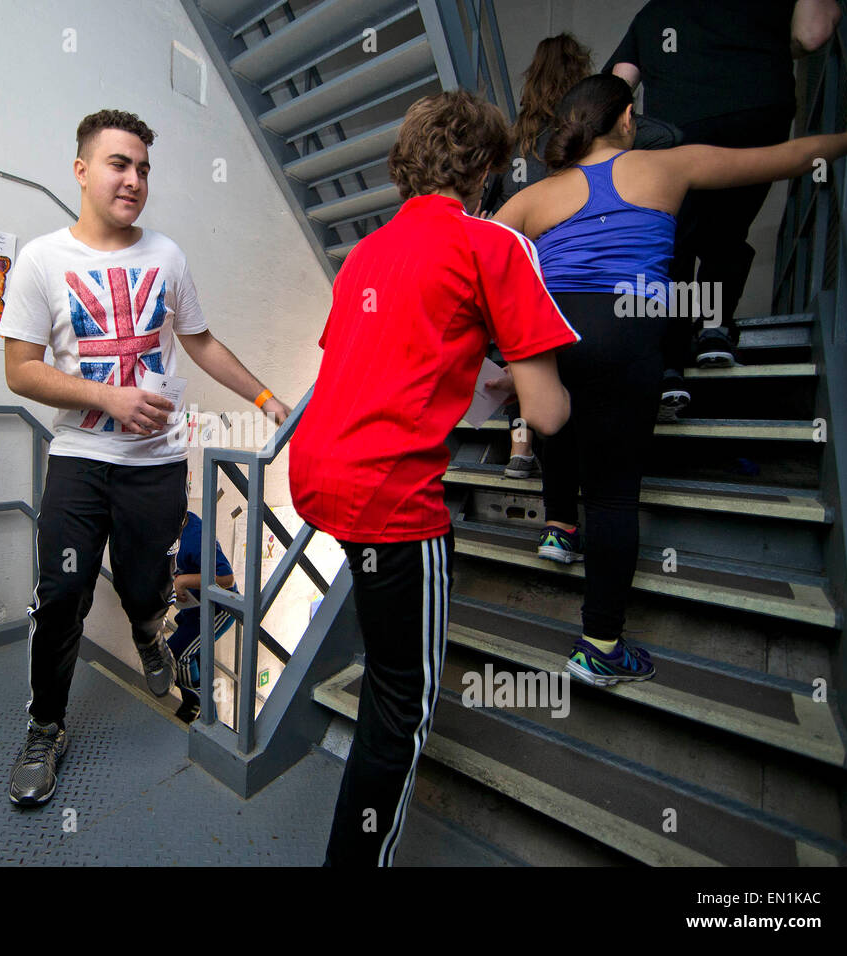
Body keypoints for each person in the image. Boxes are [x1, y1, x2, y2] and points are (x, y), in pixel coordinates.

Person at [493, 73, 847, 686]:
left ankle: (559, 534)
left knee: (561, 437)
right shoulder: (666, 166)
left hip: (556, 334)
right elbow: (784, 157)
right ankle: (599, 645)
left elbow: (473, 257)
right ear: (625, 118)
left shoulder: (536, 198)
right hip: (629, 328)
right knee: (613, 496)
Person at [290, 90, 577, 866]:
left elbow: (379, 359)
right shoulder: (492, 245)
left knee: (385, 657)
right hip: (389, 494)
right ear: (486, 167)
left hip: (319, 474)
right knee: (401, 706)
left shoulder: (366, 254)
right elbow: (546, 416)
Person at [0, 109, 291, 807]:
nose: (134, 179)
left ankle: (149, 638)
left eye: (143, 168)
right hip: (79, 455)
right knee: (61, 595)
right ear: (81, 170)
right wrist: (111, 397)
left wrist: (267, 397)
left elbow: (201, 341)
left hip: (157, 465)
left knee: (142, 588)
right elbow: (20, 370)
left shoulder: (166, 255)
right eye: (118, 164)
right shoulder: (42, 260)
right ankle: (45, 728)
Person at [605, 0, 843, 380]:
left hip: (677, 128)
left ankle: (670, 360)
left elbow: (618, 86)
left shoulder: (655, 13)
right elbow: (811, 35)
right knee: (728, 229)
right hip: (758, 114)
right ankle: (715, 329)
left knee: (674, 238)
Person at [484, 32, 685, 438]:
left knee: (539, 390)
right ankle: (671, 371)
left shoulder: (515, 141)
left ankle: (522, 441)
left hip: (535, 292)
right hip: (601, 301)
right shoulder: (589, 139)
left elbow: (491, 206)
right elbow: (669, 138)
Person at [165, 510, 239, 723]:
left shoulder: (195, 534)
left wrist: (183, 581)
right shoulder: (164, 530)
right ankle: (210, 721)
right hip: (194, 608)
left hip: (220, 608)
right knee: (195, 662)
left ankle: (194, 702)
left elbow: (226, 578)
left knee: (179, 655)